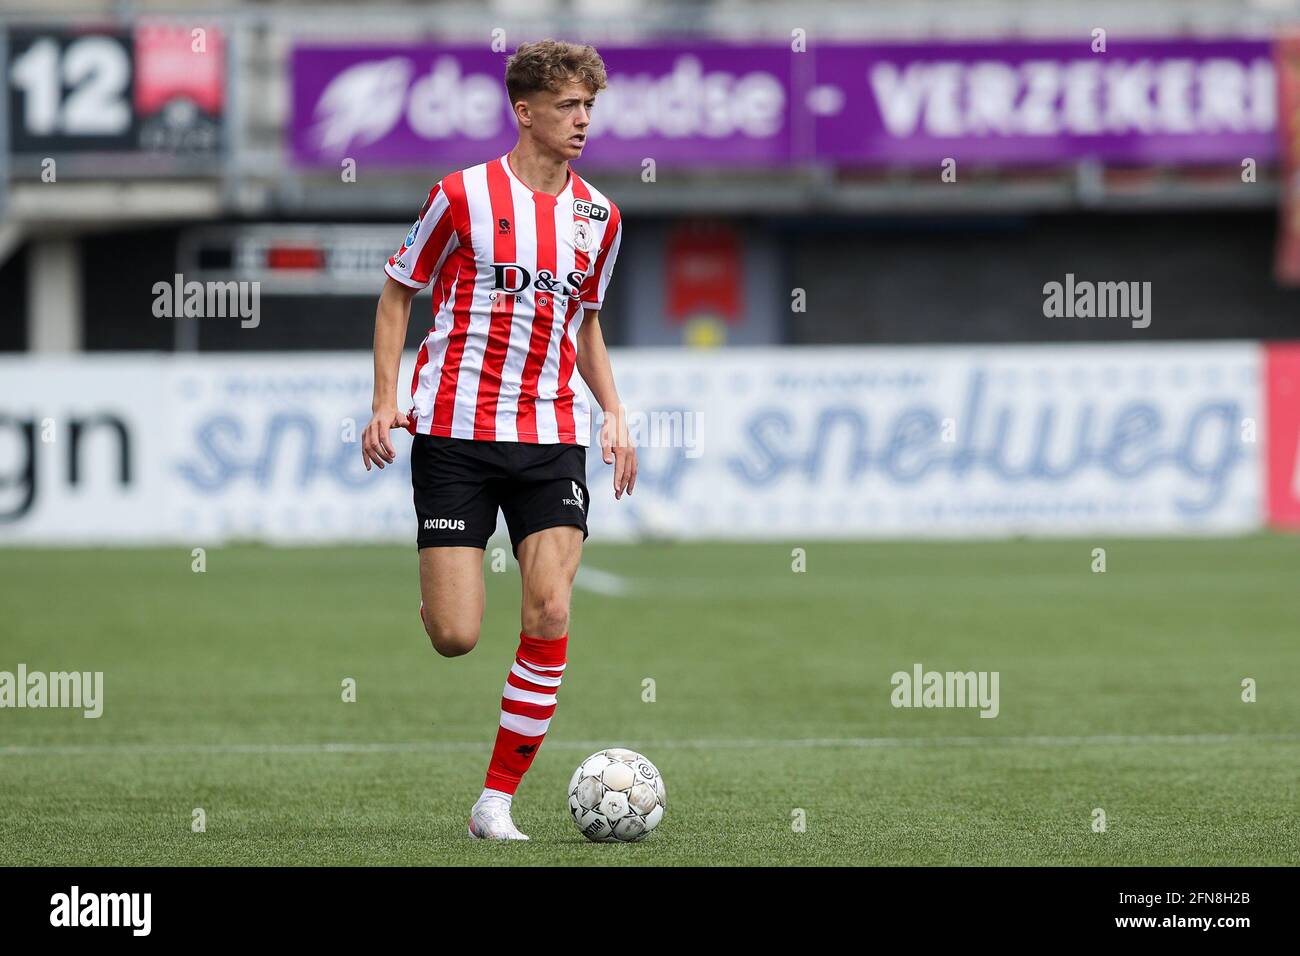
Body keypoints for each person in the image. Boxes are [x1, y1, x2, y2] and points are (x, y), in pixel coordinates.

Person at [362, 39, 635, 840]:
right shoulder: (460, 196)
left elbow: (584, 324)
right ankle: (439, 592)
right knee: (457, 636)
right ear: (525, 112)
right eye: (567, 107)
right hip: (453, 432)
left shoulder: (600, 216)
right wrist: (387, 401)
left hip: (550, 434)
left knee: (549, 609)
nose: (582, 121)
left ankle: (495, 803)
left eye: (589, 106)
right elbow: (396, 293)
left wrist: (614, 412)